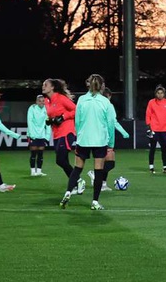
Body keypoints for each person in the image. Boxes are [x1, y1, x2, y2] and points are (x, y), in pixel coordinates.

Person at [60, 74, 120, 211]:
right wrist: (111, 143)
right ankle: (94, 202)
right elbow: (110, 124)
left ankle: (68, 192)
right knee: (98, 171)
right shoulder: (105, 102)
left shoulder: (81, 100)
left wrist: (79, 136)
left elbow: (78, 121)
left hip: (83, 139)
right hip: (99, 140)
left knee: (77, 168)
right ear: (102, 86)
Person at [43, 78, 81, 193]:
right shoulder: (46, 101)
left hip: (67, 132)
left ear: (52, 87)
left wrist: (63, 117)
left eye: (46, 85)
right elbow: (51, 115)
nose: (43, 86)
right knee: (62, 161)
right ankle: (75, 184)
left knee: (60, 160)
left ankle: (78, 181)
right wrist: (50, 120)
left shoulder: (60, 98)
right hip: (56, 134)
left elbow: (76, 110)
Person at [146, 85, 166, 174]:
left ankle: (165, 167)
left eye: (161, 93)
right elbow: (148, 115)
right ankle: (151, 167)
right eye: (158, 93)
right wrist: (149, 127)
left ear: (164, 94)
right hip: (154, 129)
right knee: (153, 148)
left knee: (164, 149)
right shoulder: (151, 102)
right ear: (155, 94)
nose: (160, 95)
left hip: (164, 129)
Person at [27, 94, 51, 177]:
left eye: (43, 101)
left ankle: (39, 171)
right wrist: (31, 134)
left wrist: (47, 136)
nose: (41, 102)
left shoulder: (46, 109)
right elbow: (29, 121)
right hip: (32, 134)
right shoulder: (32, 108)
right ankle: (33, 171)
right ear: (36, 101)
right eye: (39, 101)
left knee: (40, 154)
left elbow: (48, 124)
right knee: (33, 153)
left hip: (42, 135)